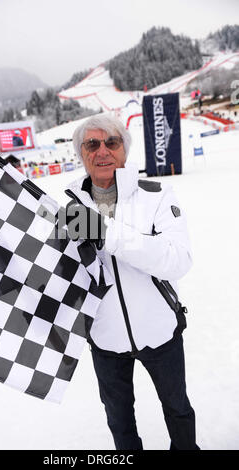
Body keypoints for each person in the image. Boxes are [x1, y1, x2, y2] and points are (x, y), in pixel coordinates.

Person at [65, 114, 199, 450]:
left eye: (112, 142)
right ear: (81, 154)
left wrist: (107, 232)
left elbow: (177, 259)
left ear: (125, 149)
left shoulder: (156, 195)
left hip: (160, 331)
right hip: (106, 340)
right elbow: (63, 276)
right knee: (119, 420)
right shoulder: (68, 210)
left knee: (178, 409)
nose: (103, 151)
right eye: (92, 144)